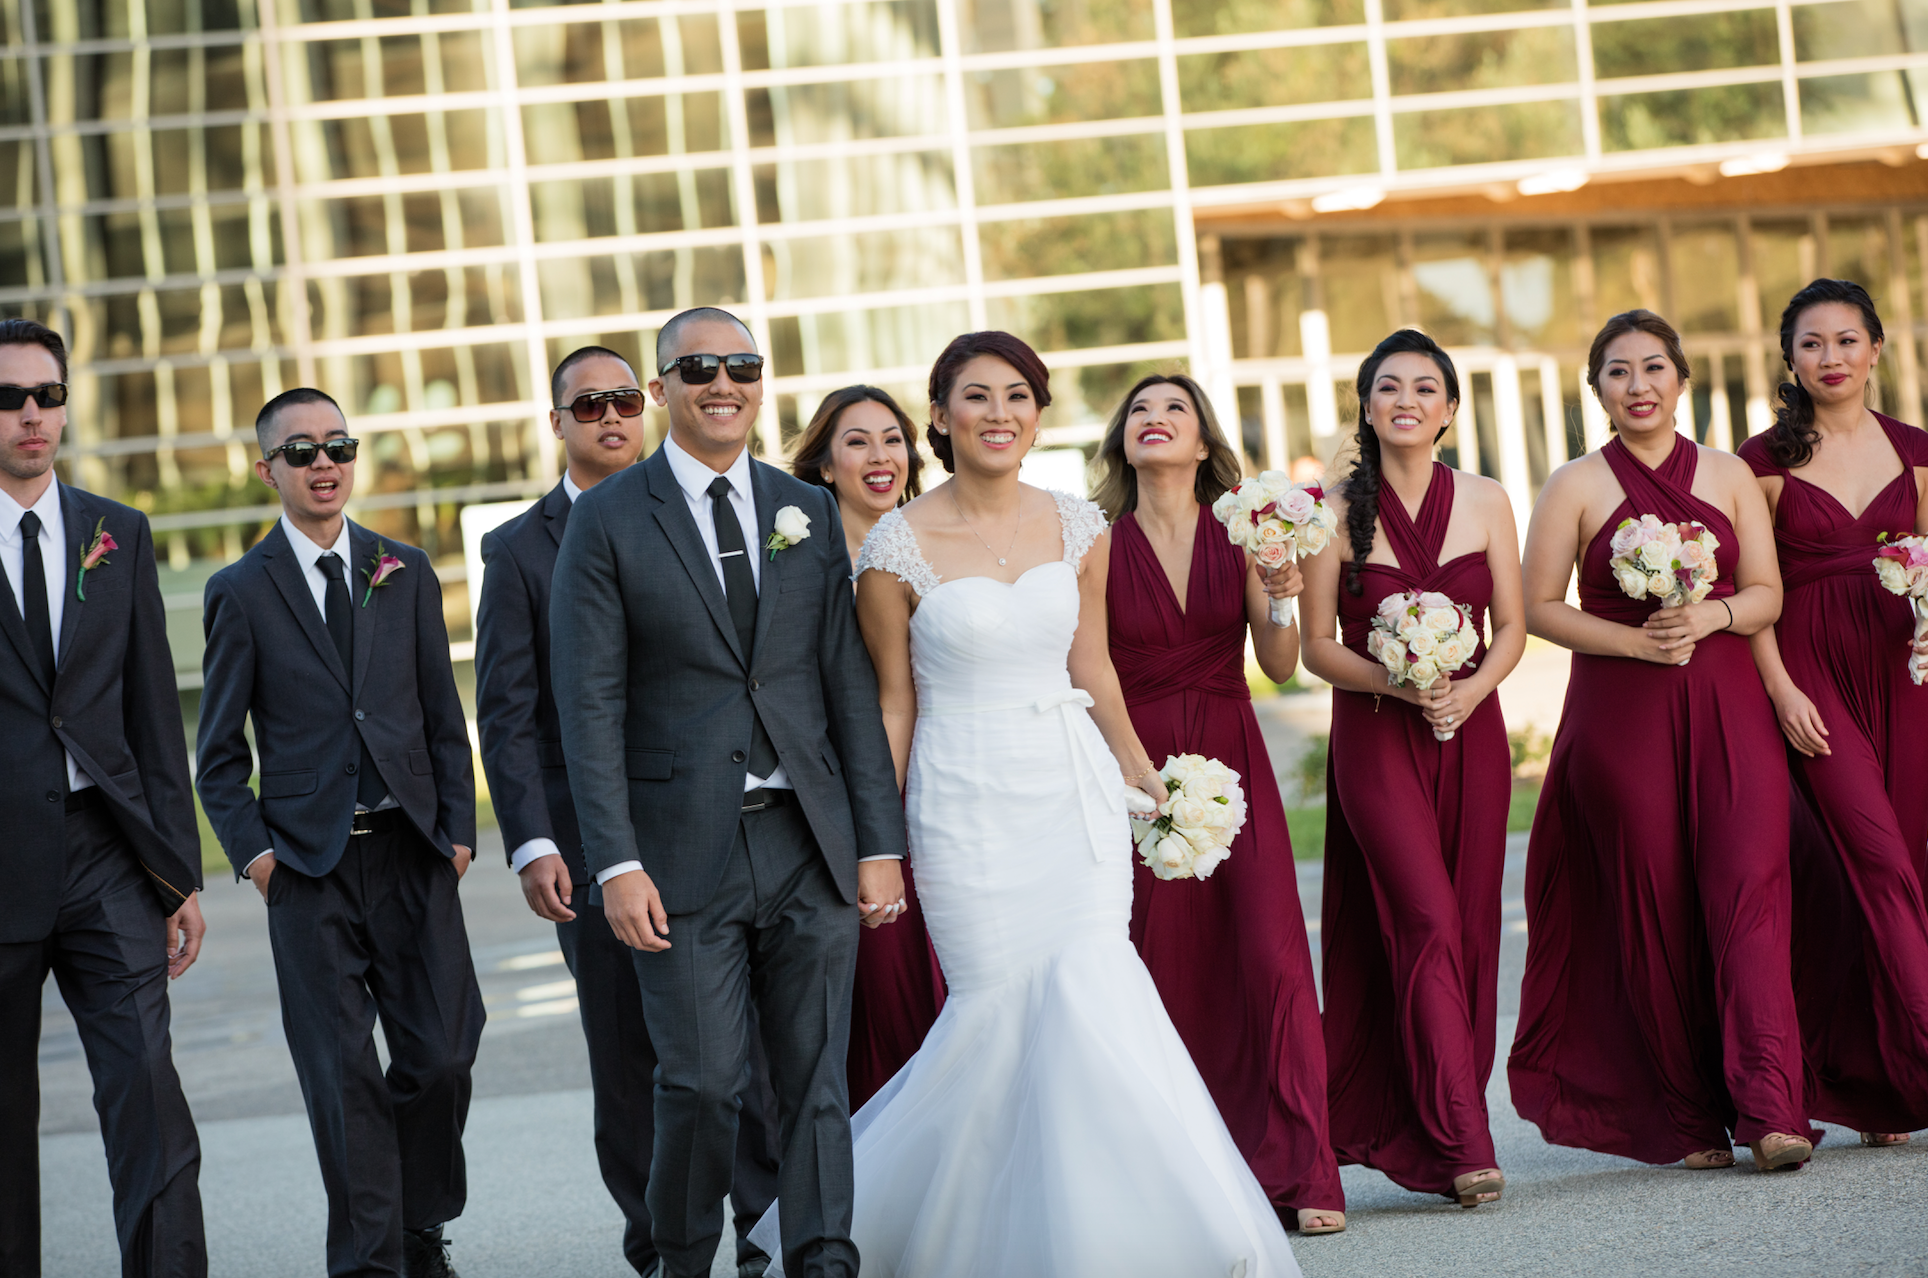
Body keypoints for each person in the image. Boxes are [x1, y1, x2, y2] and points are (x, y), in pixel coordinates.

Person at [752, 331, 1301, 1276]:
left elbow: (1092, 667)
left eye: (1018, 395)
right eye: (976, 396)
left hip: (1071, 791)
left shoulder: (1078, 525)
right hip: (963, 805)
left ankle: (1138, 1243)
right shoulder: (894, 546)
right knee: (994, 1018)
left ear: (1037, 414)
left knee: (1099, 995)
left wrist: (1142, 775)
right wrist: (874, 841)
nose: (999, 413)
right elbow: (894, 700)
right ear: (940, 415)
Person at [548, 307, 908, 1278]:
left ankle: (823, 1260)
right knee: (701, 1085)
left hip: (808, 840)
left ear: (759, 380)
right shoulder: (606, 520)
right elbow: (587, 705)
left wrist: (877, 843)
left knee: (814, 1083)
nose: (722, 382)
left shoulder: (803, 507)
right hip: (675, 851)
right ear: (661, 386)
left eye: (740, 365)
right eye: (697, 366)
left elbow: (844, 688)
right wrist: (614, 861)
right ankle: (679, 1259)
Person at [475, 345, 780, 1277]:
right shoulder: (521, 548)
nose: (610, 417)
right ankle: (656, 1247)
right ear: (557, 422)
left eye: (621, 400)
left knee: (743, 1048)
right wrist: (533, 843)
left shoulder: (702, 511)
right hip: (591, 840)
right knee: (628, 1050)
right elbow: (510, 709)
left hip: (718, 830)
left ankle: (763, 1229)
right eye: (587, 405)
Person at [1508, 309, 1815, 1173]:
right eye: (1617, 372)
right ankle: (1683, 1118)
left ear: (1681, 378)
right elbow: (1538, 607)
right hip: (1620, 712)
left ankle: (1771, 1108)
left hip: (1726, 703)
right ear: (1598, 390)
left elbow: (1767, 592)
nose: (1638, 385)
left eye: (1653, 367)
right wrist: (1637, 641)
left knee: (1748, 886)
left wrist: (1711, 614)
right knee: (1652, 900)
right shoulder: (1573, 484)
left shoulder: (1727, 474)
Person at [196, 388, 483, 1278]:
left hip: (413, 853)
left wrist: (459, 832)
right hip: (309, 871)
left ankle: (418, 1221)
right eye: (302, 452)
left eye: (338, 447)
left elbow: (443, 716)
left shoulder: (405, 569)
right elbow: (216, 756)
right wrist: (259, 858)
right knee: (343, 1076)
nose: (324, 464)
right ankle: (373, 1261)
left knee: (440, 1056)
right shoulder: (239, 591)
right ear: (267, 469)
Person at [1091, 372, 1345, 1235]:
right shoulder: (1091, 538)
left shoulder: (1246, 528)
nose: (1155, 419)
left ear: (1203, 441)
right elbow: (1083, 671)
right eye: (1140, 410)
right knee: (1157, 965)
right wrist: (1131, 773)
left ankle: (1301, 1171)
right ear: (1123, 439)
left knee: (1267, 957)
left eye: (1176, 409)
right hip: (1133, 763)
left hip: (1232, 757)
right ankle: (1178, 1181)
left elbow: (1279, 663)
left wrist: (1281, 583)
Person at [0, 318, 207, 1278]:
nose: (31, 415)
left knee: (148, 1098)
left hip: (107, 860)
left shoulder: (117, 532)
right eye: (9, 399)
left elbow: (150, 710)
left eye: (46, 395)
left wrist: (177, 870)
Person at [1299, 329, 1522, 1209]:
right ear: (1366, 407)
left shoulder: (1490, 500)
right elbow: (1317, 645)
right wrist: (1395, 675)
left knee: (1468, 926)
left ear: (1451, 410)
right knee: (1424, 919)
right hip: (1376, 733)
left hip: (1474, 731)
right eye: (1388, 387)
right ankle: (1465, 1141)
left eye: (1425, 388)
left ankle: (1442, 1115)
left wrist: (1471, 693)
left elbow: (1511, 625)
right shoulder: (1328, 508)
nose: (1406, 400)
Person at [1738, 279, 1928, 1146]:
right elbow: (1751, 591)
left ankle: (1881, 1084)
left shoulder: (1919, 454)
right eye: (1812, 345)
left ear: (1877, 349)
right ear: (1790, 361)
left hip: (1909, 673)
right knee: (1879, 862)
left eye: (1847, 341)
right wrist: (1780, 689)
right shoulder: (1762, 464)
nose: (1831, 358)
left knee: (1906, 868)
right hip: (1812, 676)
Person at [788, 385, 947, 1108]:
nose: (881, 457)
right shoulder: (793, 563)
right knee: (879, 985)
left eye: (892, 439)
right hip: (849, 797)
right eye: (857, 442)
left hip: (947, 777)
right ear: (824, 465)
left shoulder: (940, 542)